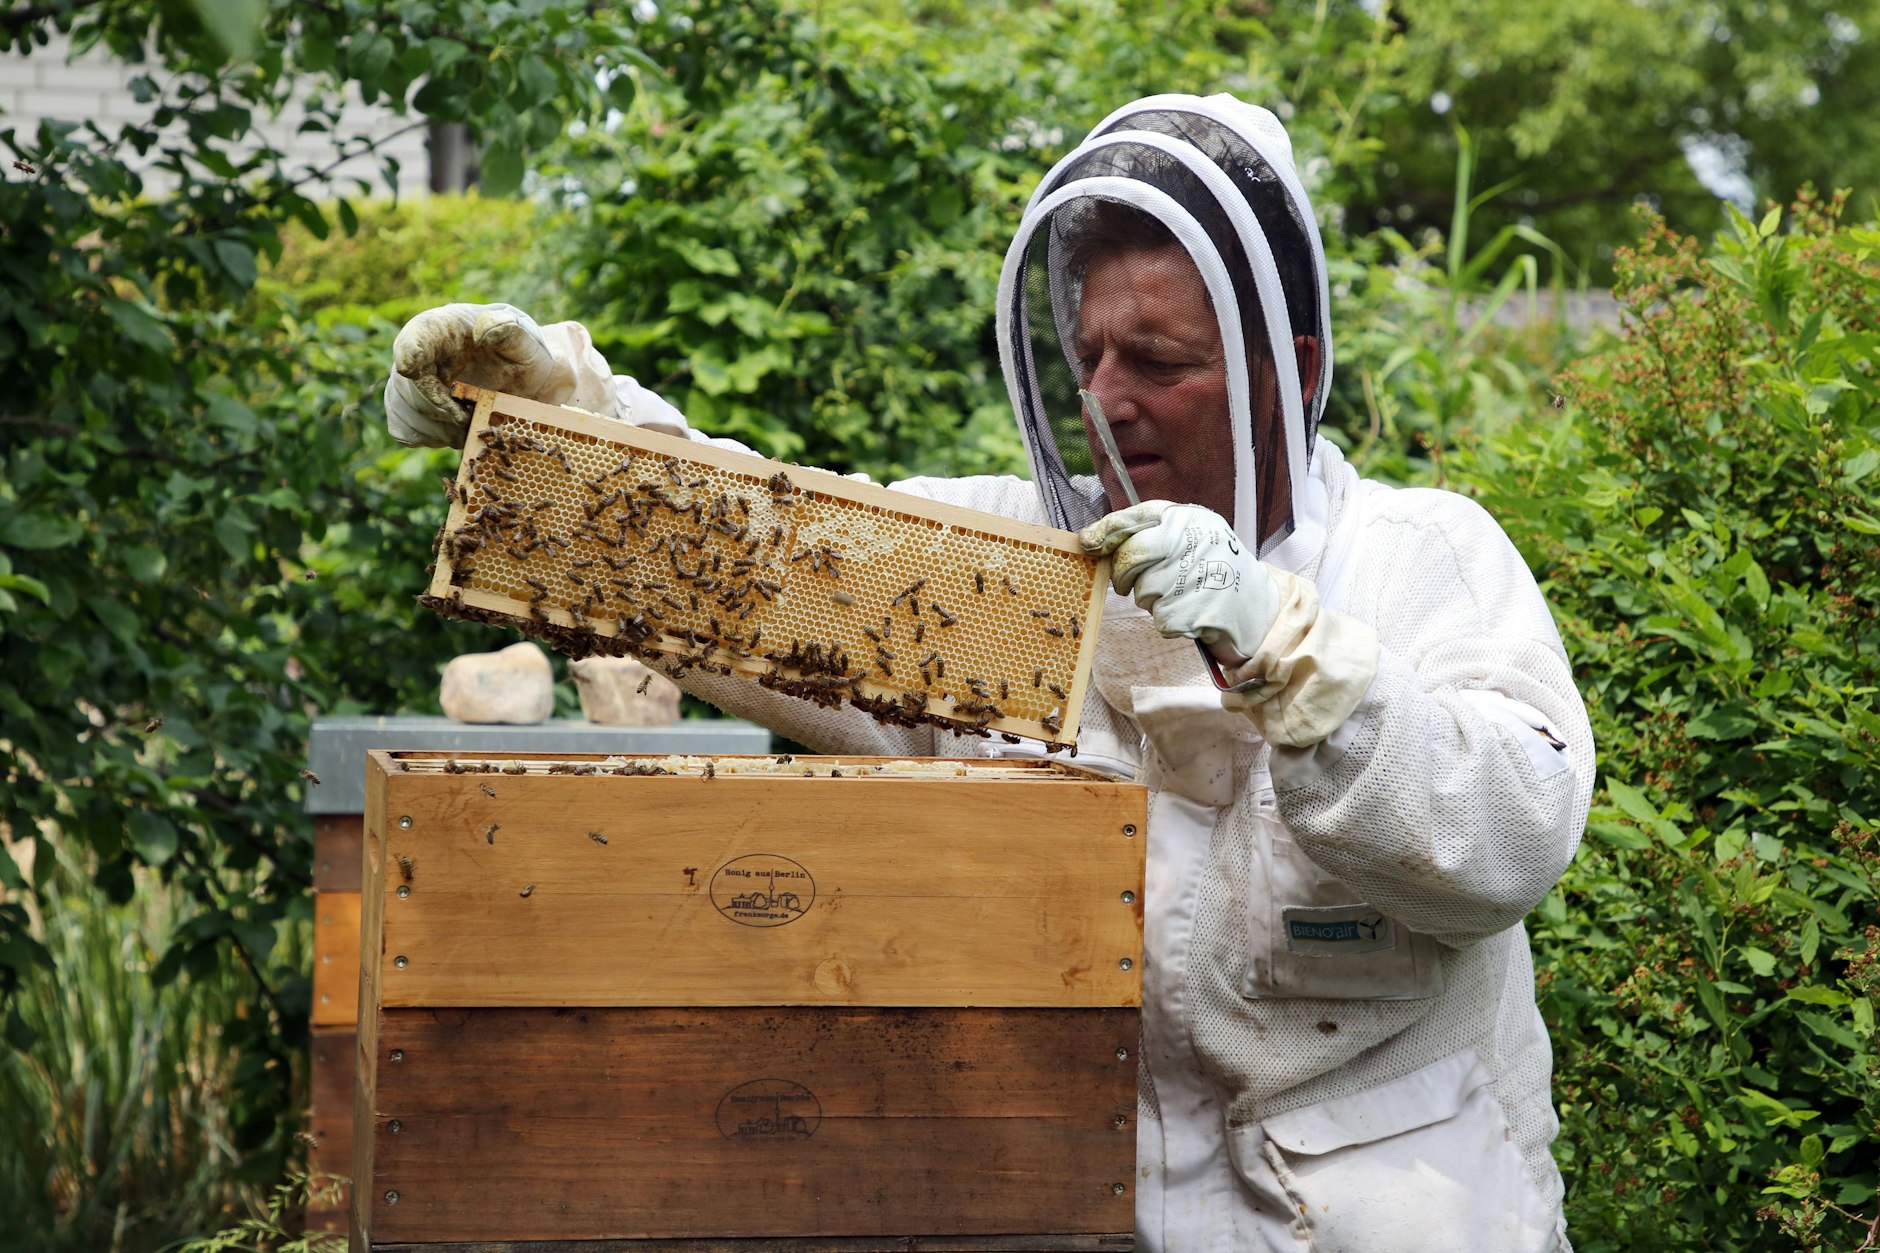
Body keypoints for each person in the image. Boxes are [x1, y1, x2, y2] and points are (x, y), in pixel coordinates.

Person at [384, 93, 1595, 1253]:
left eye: (1159, 360)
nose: (1108, 400)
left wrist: (1282, 644)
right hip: (1078, 1201)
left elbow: (1509, 829)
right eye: (1090, 356)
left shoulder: (1416, 557)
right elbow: (756, 571)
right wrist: (563, 427)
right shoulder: (1004, 570)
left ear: (1287, 365)